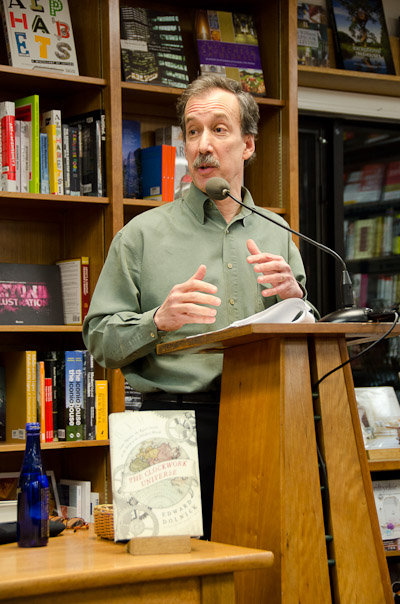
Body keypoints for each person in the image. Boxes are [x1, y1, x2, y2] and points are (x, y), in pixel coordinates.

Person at [83, 74, 316, 539]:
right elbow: (98, 341)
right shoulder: (141, 235)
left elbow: (303, 333)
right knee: (168, 578)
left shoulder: (278, 233)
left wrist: (297, 303)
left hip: (263, 421)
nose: (203, 145)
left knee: (259, 568)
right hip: (166, 428)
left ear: (248, 145)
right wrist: (157, 320)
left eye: (219, 129)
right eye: (193, 131)